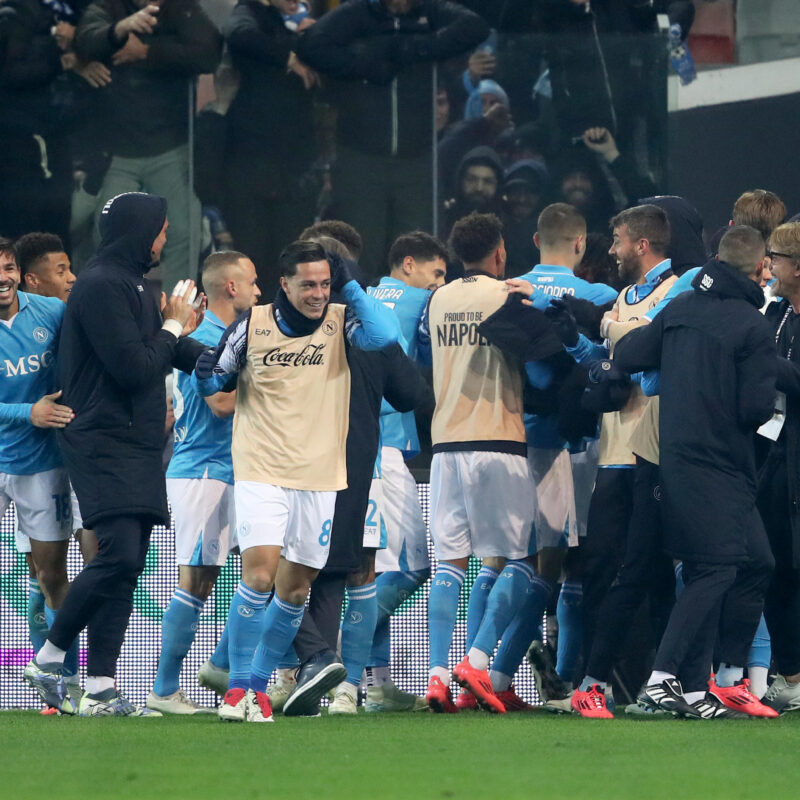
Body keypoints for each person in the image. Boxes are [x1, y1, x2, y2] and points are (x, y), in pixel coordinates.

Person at [195, 240, 399, 723]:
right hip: (261, 468)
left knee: (293, 590)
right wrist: (205, 377)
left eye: (325, 283)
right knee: (260, 575)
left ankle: (259, 689)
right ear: (283, 284)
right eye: (308, 284)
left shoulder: (344, 322)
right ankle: (237, 692)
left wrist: (350, 286)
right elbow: (214, 381)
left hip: (321, 476)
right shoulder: (252, 324)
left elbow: (385, 336)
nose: (317, 293)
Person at [24, 192, 207, 717]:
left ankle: (102, 685)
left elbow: (161, 347)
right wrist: (173, 328)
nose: (165, 237)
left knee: (126, 567)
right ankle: (50, 657)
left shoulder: (130, 284)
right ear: (138, 230)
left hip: (136, 440)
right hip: (103, 438)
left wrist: (220, 357)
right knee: (120, 556)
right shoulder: (104, 286)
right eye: (161, 228)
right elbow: (134, 366)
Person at [614, 225, 777, 717]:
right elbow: (754, 410)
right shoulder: (752, 327)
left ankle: (699, 687)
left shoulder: (681, 308)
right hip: (721, 464)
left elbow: (628, 356)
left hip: (677, 459)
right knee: (716, 570)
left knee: (756, 561)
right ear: (757, 267)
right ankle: (662, 680)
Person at [421, 211, 534, 714]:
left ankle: (439, 674)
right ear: (500, 251)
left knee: (450, 562)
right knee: (521, 559)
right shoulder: (508, 294)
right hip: (499, 437)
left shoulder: (437, 299)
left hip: (446, 443)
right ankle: (478, 658)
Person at [146, 250, 261, 714]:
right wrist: (279, 388)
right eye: (253, 282)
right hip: (203, 471)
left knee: (262, 576)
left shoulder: (230, 333)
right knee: (195, 581)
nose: (260, 290)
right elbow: (219, 405)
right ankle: (163, 689)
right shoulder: (205, 337)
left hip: (236, 470)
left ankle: (218, 665)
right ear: (230, 287)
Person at [297, 0, 489, 274]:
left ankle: (416, 314)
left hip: (417, 157)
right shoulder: (357, 14)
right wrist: (365, 64)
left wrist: (417, 48)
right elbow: (311, 45)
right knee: (362, 249)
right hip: (361, 156)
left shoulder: (429, 12)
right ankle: (361, 314)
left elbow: (475, 26)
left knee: (418, 252)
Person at [74, 0, 222, 292]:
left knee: (184, 232)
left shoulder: (180, 8)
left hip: (170, 147)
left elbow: (208, 53)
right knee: (106, 233)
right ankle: (106, 302)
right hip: (116, 153)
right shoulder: (108, 7)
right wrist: (119, 30)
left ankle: (176, 311)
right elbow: (86, 41)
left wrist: (148, 51)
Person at [363, 231, 448, 713]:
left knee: (374, 569)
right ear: (409, 264)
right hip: (387, 449)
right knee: (413, 565)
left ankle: (378, 685)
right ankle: (331, 648)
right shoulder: (423, 302)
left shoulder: (367, 297)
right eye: (437, 273)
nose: (441, 284)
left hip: (354, 446)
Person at [0, 237, 79, 705]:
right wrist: (27, 412)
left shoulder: (51, 314)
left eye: (7, 267)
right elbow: (28, 409)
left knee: (51, 576)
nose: (3, 278)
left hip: (44, 466)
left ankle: (60, 681)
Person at [222, 0, 321, 296]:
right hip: (250, 163)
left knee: (292, 253)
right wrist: (289, 55)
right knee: (252, 255)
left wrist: (307, 36)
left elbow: (332, 49)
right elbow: (238, 34)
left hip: (295, 165)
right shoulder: (250, 14)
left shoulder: (305, 23)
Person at [759, 223, 800, 713]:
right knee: (777, 570)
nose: (767, 264)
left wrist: (760, 356)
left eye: (776, 256)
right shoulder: (779, 317)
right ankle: (791, 674)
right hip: (777, 460)